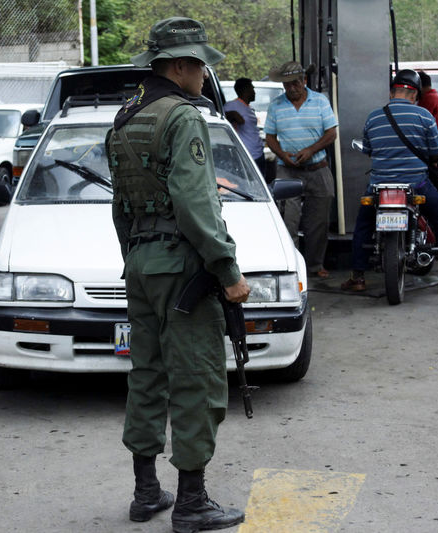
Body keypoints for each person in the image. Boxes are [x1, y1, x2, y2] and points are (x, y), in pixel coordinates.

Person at [106, 17, 249, 533]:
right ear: (183, 65)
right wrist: (227, 269)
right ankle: (191, 503)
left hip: (141, 264)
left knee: (147, 374)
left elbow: (121, 206)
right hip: (183, 268)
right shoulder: (182, 116)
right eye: (201, 64)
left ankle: (146, 492)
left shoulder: (124, 118)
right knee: (197, 377)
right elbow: (196, 202)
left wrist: (135, 258)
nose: (204, 74)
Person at [340, 69, 438, 293]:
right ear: (415, 96)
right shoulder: (424, 117)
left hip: (379, 186)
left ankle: (358, 277)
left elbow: (368, 149)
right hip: (416, 184)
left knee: (363, 224)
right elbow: (437, 152)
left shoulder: (374, 117)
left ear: (392, 93)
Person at [265, 61, 337, 279]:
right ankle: (292, 267)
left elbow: (331, 133)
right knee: (289, 220)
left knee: (319, 220)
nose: (291, 88)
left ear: (304, 81)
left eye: (295, 83)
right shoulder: (276, 105)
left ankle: (315, 265)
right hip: (287, 170)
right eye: (287, 85)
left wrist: (311, 149)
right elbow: (270, 137)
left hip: (318, 168)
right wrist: (282, 154)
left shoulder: (320, 101)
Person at [224, 77, 265, 176]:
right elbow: (223, 117)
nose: (254, 92)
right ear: (245, 90)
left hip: (258, 153)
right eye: (252, 89)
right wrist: (232, 115)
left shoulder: (248, 107)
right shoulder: (232, 105)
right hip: (247, 156)